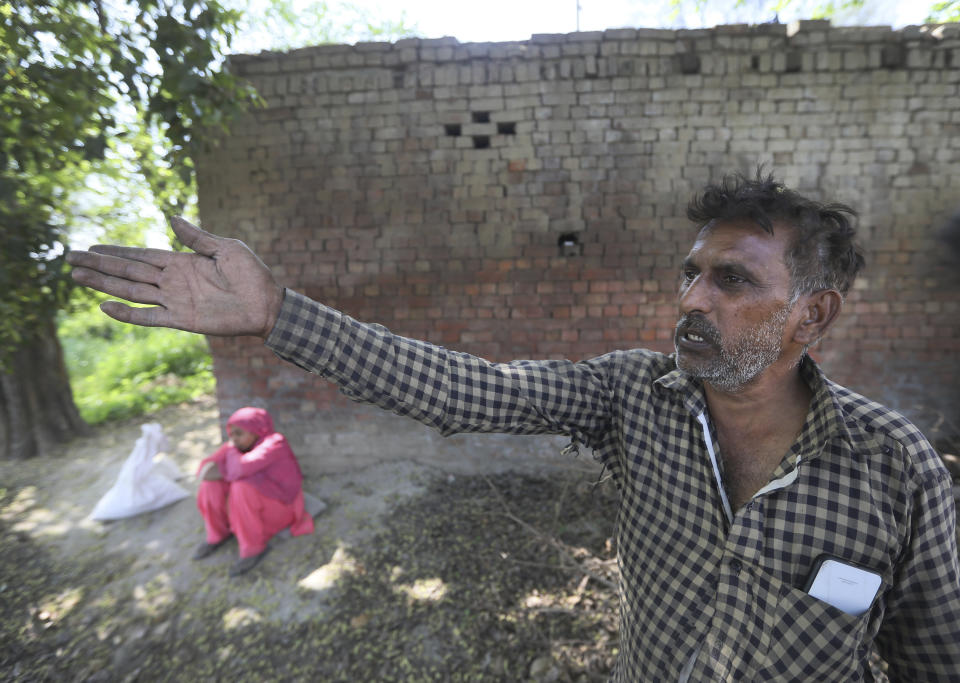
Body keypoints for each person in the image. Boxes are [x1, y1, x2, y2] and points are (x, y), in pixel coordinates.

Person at [66, 171, 960, 679]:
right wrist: (281, 315)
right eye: (689, 274)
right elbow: (466, 389)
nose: (690, 298)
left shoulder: (895, 470)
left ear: (813, 316)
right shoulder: (629, 399)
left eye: (731, 281)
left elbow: (932, 659)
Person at [194, 406, 315, 576]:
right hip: (255, 504)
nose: (233, 439)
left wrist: (230, 454)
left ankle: (253, 549)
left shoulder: (274, 443)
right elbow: (205, 471)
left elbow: (241, 468)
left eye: (239, 433)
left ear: (257, 431)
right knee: (210, 485)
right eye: (231, 434)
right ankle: (218, 534)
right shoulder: (236, 446)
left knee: (241, 487)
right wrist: (229, 456)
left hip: (280, 506)